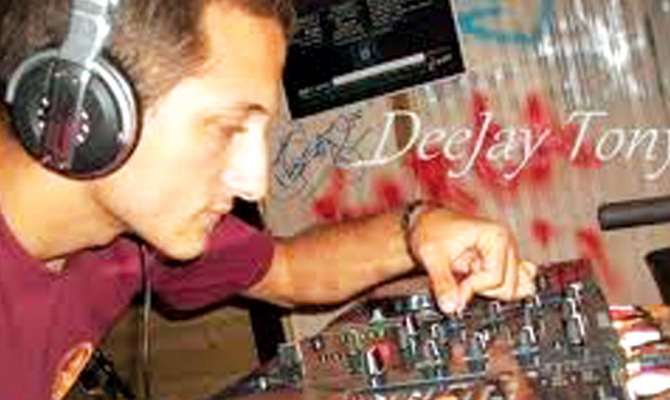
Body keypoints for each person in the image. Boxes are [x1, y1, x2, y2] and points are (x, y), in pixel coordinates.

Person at [0, 0, 537, 399]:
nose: (255, 183)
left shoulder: (129, 230)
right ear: (84, 108)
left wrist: (419, 228)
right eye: (228, 127)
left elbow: (289, 271)